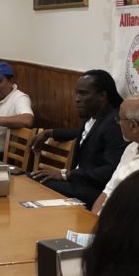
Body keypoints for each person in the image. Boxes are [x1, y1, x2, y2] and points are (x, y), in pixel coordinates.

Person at [31, 69, 126, 209]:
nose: (77, 99)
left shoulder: (114, 123)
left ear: (102, 95)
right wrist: (50, 133)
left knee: (36, 182)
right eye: (76, 93)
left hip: (94, 191)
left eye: (83, 93)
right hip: (78, 183)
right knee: (32, 179)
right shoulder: (93, 116)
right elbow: (85, 135)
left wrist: (67, 174)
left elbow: (111, 170)